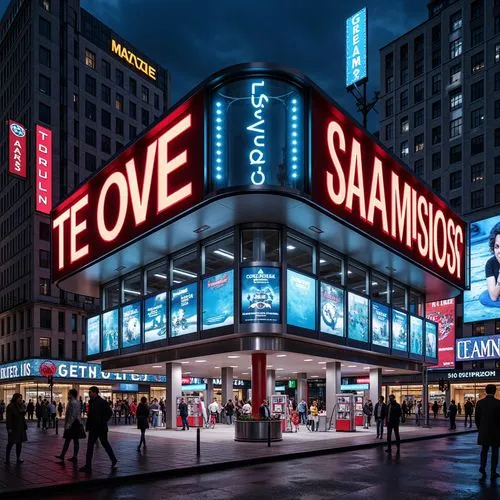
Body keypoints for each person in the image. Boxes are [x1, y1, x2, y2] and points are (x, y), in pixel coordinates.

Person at [79, 386, 117, 473]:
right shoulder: (92, 402)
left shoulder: (101, 402)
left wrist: (102, 421)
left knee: (102, 444)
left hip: (99, 427)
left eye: (90, 392)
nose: (89, 393)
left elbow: (109, 413)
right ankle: (89, 465)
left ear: (95, 392)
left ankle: (112, 459)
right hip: (95, 427)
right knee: (93, 445)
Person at [475, 384, 500, 480]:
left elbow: (477, 418)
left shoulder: (480, 403)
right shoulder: (498, 403)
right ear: (494, 392)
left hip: (484, 430)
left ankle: (482, 467)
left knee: (484, 450)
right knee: (495, 452)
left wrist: (480, 428)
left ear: (486, 391)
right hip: (496, 431)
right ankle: (493, 471)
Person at [56, 389, 83, 462]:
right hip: (76, 422)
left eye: (69, 393)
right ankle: (72, 456)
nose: (68, 395)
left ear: (71, 394)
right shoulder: (77, 402)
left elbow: (72, 415)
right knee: (74, 440)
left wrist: (68, 425)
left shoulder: (72, 402)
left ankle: (65, 455)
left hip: (73, 423)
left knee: (69, 440)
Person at [478, 222, 500, 308]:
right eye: (497, 247)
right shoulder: (491, 263)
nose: (499, 252)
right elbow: (494, 297)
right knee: (484, 297)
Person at [5, 393, 27, 464]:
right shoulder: (10, 406)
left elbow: (23, 412)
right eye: (19, 398)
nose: (20, 399)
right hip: (14, 427)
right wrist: (9, 428)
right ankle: (7, 458)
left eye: (21, 397)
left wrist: (22, 405)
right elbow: (9, 419)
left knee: (19, 443)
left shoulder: (22, 405)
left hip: (20, 427)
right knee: (10, 443)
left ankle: (18, 457)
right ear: (15, 398)